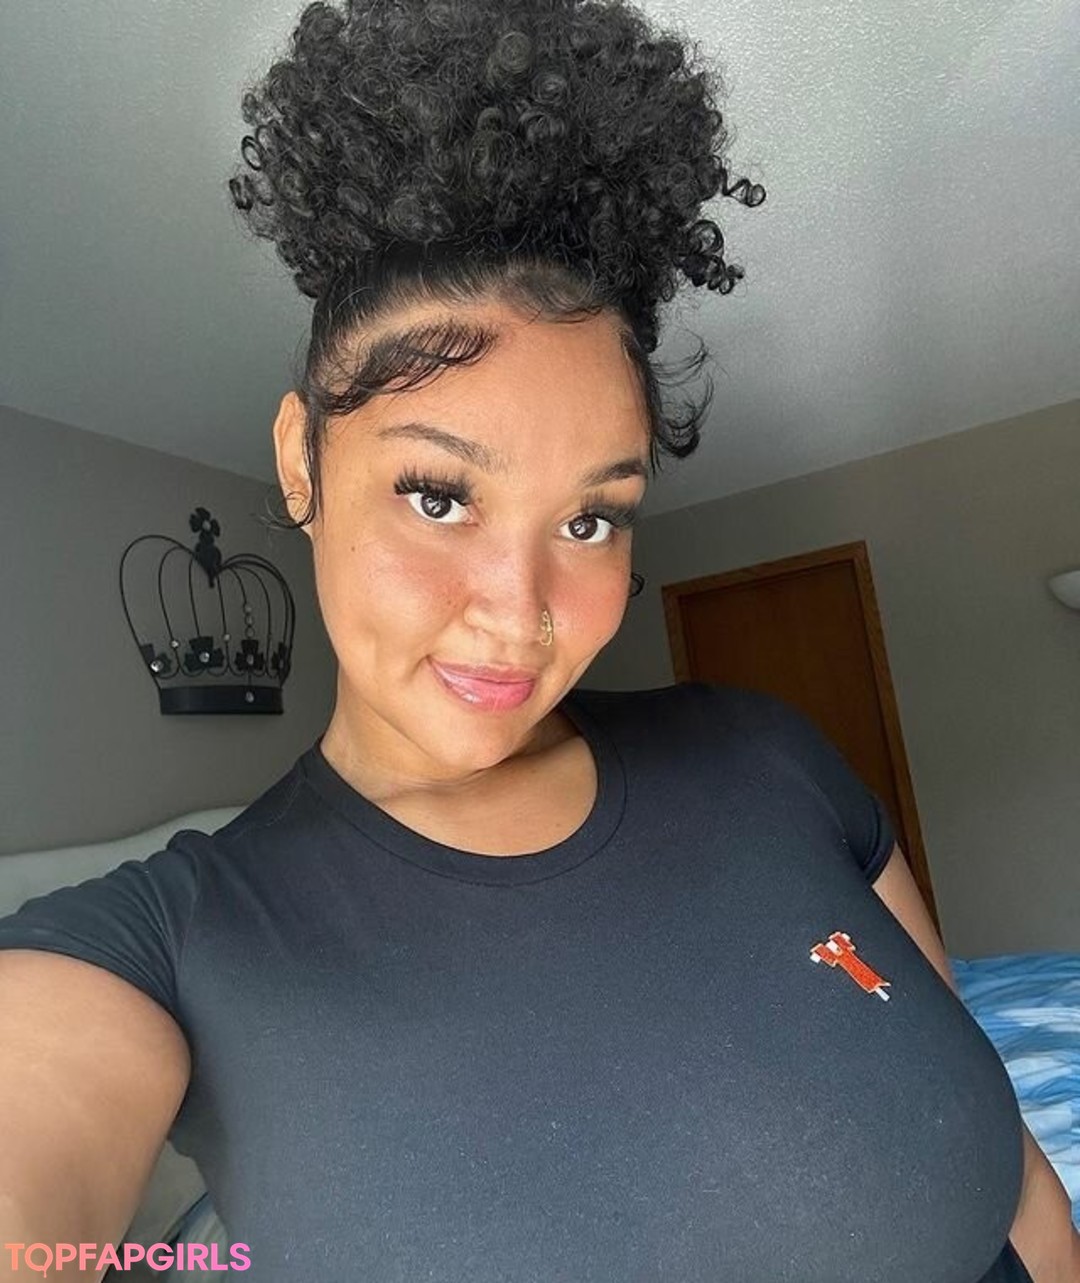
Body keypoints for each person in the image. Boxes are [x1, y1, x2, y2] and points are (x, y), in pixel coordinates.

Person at [0, 1, 1076, 1280]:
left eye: (589, 518)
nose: (519, 611)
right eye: (437, 495)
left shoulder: (765, 752)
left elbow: (1011, 1166)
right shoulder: (165, 939)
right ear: (302, 461)